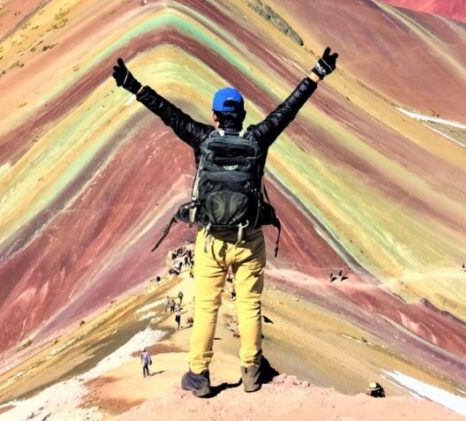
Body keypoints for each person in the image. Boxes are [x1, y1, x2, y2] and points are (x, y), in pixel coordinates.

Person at [112, 47, 338, 397]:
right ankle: (251, 371)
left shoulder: (203, 139)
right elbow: (287, 110)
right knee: (249, 304)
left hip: (212, 241)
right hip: (249, 239)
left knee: (206, 307)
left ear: (215, 116)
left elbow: (168, 114)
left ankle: (199, 374)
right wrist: (316, 73)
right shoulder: (257, 139)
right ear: (243, 115)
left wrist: (133, 85)